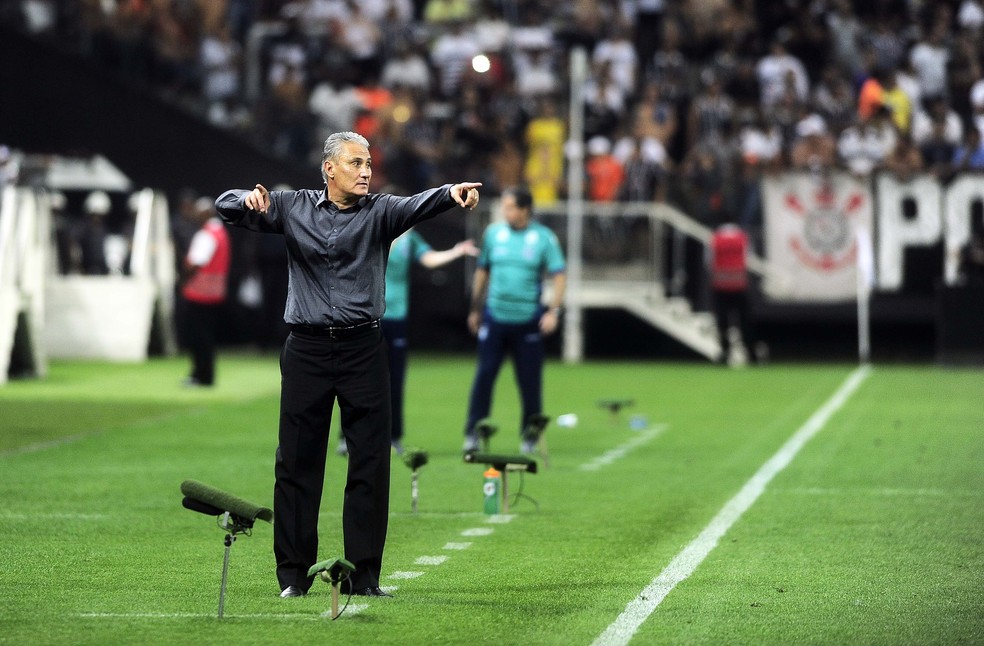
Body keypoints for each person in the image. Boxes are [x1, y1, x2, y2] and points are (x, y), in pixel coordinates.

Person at [214, 131, 481, 600]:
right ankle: (293, 577)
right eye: (356, 163)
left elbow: (418, 204)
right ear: (329, 169)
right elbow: (225, 205)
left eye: (369, 164)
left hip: (363, 350)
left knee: (371, 464)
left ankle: (365, 577)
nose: (366, 172)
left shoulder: (381, 212)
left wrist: (451, 193)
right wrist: (246, 199)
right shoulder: (292, 206)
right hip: (307, 352)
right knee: (296, 464)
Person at [337, 230, 478, 457]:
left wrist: (456, 251)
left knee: (395, 380)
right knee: (358, 378)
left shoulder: (410, 239)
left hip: (397, 318)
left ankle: (393, 437)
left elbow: (429, 258)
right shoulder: (369, 231)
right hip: (366, 316)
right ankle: (347, 436)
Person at [462, 185, 566, 454]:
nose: (505, 212)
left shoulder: (544, 238)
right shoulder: (494, 234)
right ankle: (474, 433)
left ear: (525, 210)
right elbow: (483, 272)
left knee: (530, 382)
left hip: (527, 321)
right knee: (484, 377)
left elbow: (559, 275)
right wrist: (475, 309)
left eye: (510, 207)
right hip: (495, 318)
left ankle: (530, 435)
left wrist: (553, 311)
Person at [179, 197, 231, 387]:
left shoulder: (206, 234)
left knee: (198, 337)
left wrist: (183, 278)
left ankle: (201, 375)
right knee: (207, 336)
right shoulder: (221, 232)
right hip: (216, 292)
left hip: (199, 293)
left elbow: (195, 262)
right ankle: (205, 375)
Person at [709, 222, 756, 366]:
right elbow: (750, 258)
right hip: (739, 286)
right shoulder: (743, 238)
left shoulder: (715, 239)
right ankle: (751, 353)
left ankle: (725, 352)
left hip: (720, 286)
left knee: (723, 322)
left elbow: (708, 261)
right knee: (745, 321)